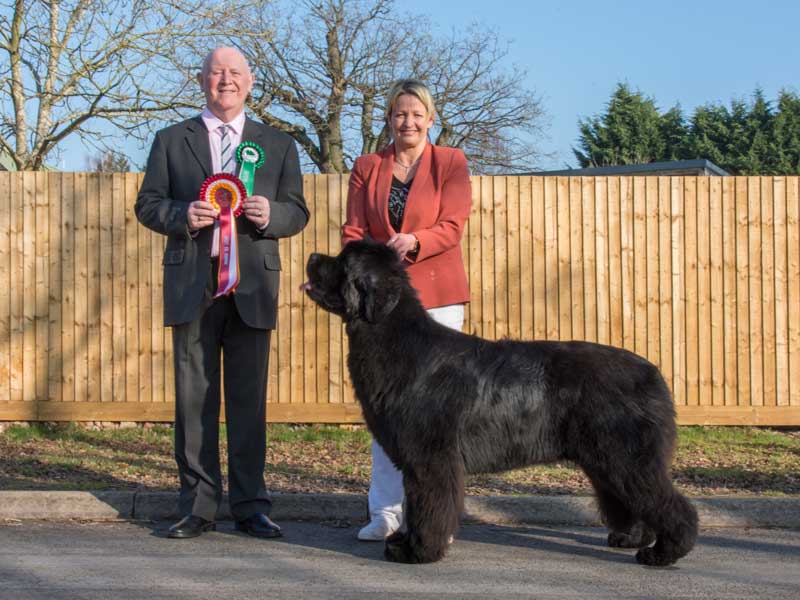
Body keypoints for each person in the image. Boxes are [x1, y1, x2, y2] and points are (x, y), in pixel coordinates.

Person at [135, 47, 309, 539]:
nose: (225, 81)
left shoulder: (278, 144)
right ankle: (197, 506)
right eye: (216, 73)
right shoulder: (171, 140)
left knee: (249, 402)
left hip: (252, 287)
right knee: (194, 400)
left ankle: (251, 506)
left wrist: (271, 215)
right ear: (201, 80)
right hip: (193, 283)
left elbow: (298, 210)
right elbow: (147, 203)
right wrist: (181, 214)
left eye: (234, 73)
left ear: (250, 81)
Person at [341, 79, 472, 541]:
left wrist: (415, 241)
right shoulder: (366, 166)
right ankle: (386, 515)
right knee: (387, 414)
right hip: (385, 308)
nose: (408, 122)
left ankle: (436, 519)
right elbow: (354, 229)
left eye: (417, 114)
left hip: (438, 301)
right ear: (389, 118)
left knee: (437, 421)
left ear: (430, 119)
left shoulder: (451, 163)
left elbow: (453, 226)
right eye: (400, 114)